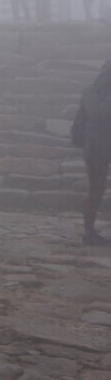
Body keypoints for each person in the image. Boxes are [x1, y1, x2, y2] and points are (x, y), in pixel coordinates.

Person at [71, 60, 111, 246]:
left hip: (93, 146)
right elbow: (97, 115)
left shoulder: (89, 91)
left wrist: (79, 140)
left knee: (96, 188)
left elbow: (80, 120)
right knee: (96, 188)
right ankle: (89, 232)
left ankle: (89, 231)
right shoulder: (98, 92)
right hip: (100, 144)